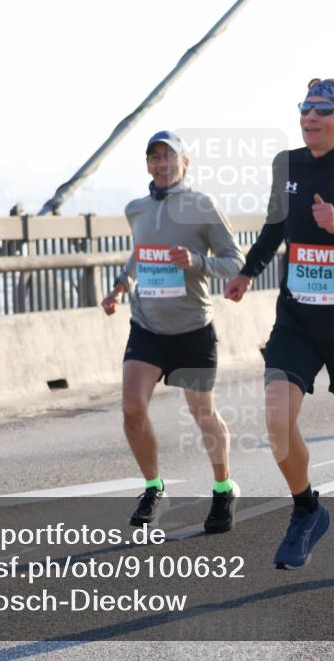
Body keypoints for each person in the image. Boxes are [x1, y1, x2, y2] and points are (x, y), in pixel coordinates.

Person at [224, 79, 334, 572]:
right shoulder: (287, 165)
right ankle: (307, 510)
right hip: (298, 319)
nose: (309, 116)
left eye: (322, 110)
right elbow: (275, 229)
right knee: (277, 422)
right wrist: (246, 272)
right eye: (305, 107)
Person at [103, 130, 245, 533]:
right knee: (132, 407)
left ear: (185, 162)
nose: (161, 165)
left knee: (203, 414)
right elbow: (140, 254)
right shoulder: (137, 209)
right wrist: (119, 287)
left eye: (169, 157)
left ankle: (222, 488)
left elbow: (234, 261)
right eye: (153, 158)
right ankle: (153, 487)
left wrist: (197, 261)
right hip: (147, 326)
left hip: (192, 329)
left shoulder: (202, 205)